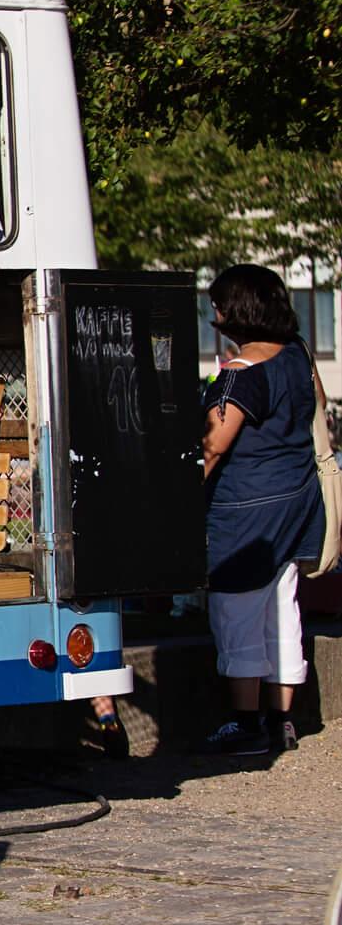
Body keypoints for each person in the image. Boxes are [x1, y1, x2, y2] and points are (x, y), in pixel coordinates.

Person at [199, 263, 324, 756]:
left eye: (219, 304)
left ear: (237, 310)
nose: (215, 313)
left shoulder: (238, 376)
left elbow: (213, 447)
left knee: (238, 612)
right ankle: (283, 719)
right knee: (283, 609)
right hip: (297, 499)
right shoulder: (298, 355)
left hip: (246, 510)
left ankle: (245, 723)